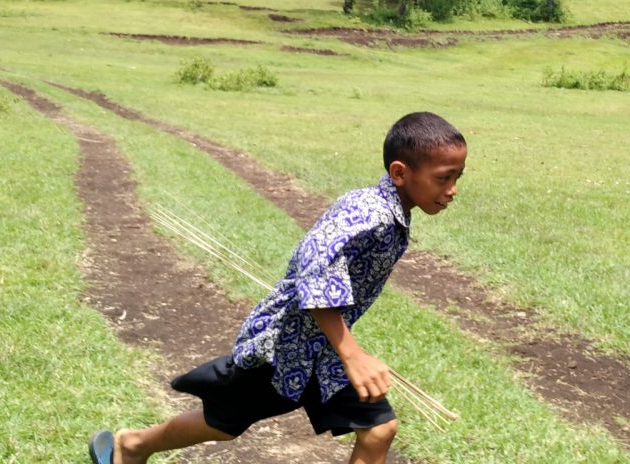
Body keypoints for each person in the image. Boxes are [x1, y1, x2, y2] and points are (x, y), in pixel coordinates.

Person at [90, 112, 468, 464]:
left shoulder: (392, 214)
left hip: (319, 348)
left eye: (457, 178)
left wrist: (342, 348)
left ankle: (133, 445)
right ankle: (132, 444)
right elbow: (315, 266)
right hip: (283, 347)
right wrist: (352, 354)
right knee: (222, 422)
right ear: (400, 172)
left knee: (379, 427)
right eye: (443, 177)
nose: (452, 190)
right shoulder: (369, 213)